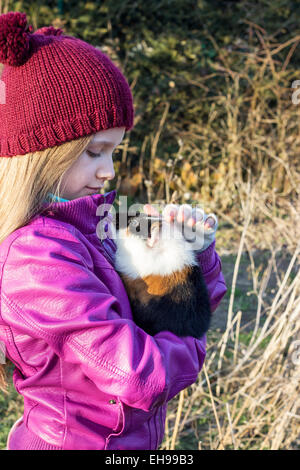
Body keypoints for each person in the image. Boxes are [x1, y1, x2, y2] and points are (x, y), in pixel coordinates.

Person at [0, 11, 227, 450]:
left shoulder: (97, 225)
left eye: (114, 151)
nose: (108, 171)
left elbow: (168, 311)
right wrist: (193, 343)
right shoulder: (35, 260)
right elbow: (141, 375)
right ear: (40, 153)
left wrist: (184, 256)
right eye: (94, 152)